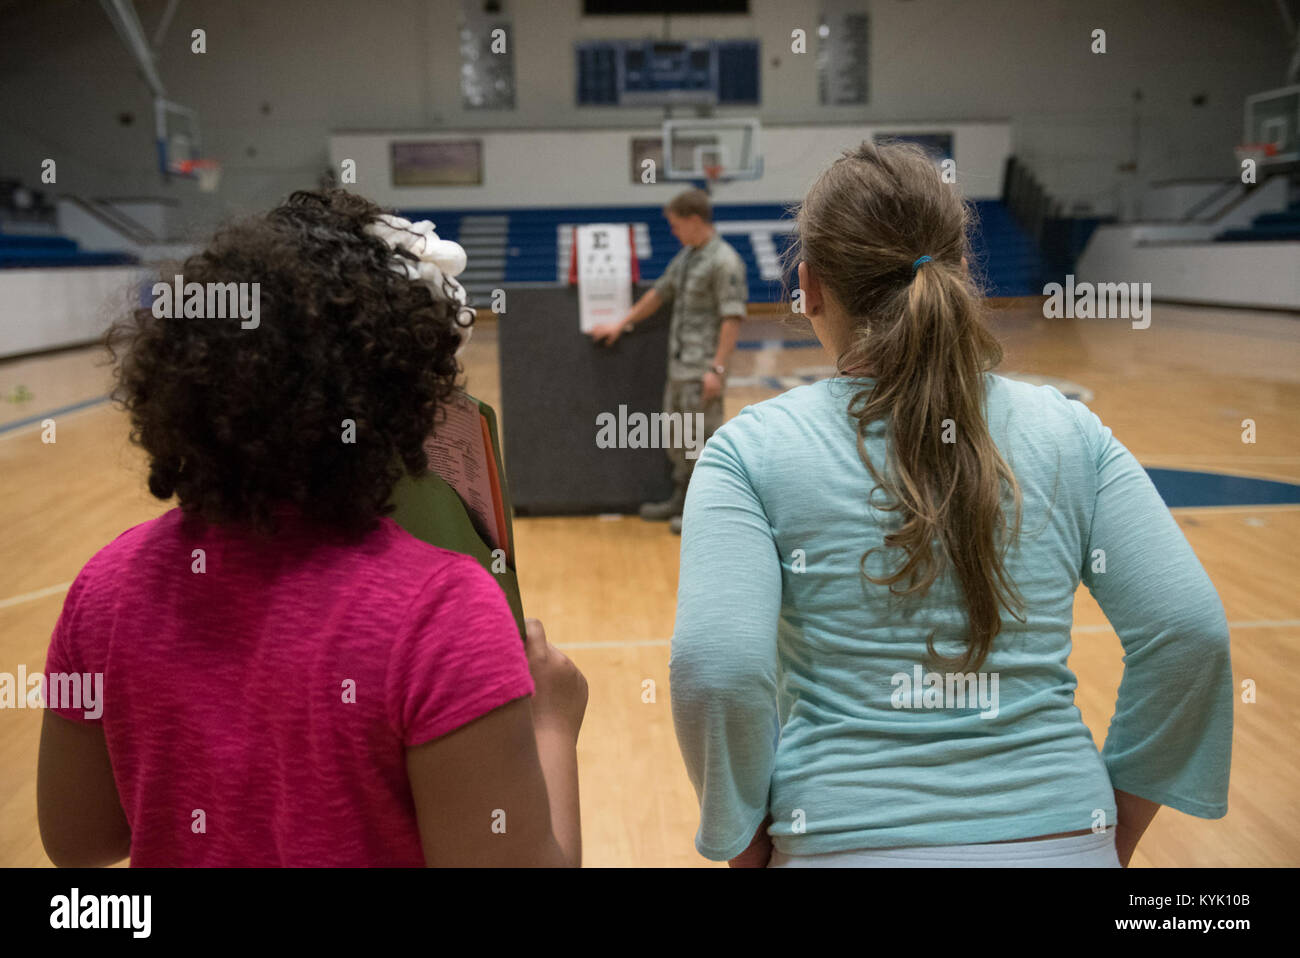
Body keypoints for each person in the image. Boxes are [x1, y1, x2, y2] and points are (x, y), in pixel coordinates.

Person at [669, 142, 1234, 868]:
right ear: (960, 270)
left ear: (807, 287)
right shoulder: (1070, 430)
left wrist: (742, 846)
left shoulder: (748, 452)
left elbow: (717, 669)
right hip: (1063, 838)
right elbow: (1190, 635)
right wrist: (1104, 830)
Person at [36, 189, 588, 867]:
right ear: (407, 394)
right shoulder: (442, 612)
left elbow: (80, 842)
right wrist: (553, 725)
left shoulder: (103, 591)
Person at [589, 189, 748, 534]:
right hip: (680, 367)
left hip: (703, 368)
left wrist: (717, 369)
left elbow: (732, 318)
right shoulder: (689, 257)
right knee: (678, 437)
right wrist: (622, 322)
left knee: (702, 440)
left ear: (694, 220)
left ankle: (704, 509)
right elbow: (658, 294)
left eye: (677, 225)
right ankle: (681, 499)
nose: (674, 232)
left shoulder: (725, 261)